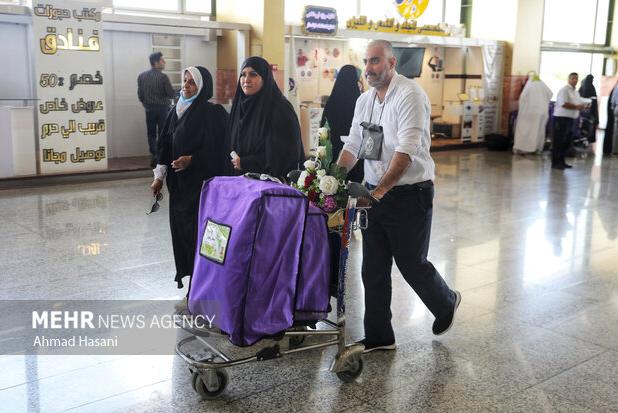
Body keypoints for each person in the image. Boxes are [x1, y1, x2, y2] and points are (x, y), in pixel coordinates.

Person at [337, 40, 460, 353]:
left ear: (392, 63)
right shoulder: (365, 100)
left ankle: (446, 302)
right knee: (373, 267)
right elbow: (353, 145)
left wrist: (378, 193)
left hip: (410, 194)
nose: (369, 68)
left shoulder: (410, 95)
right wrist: (333, 179)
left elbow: (405, 152)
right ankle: (379, 336)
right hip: (372, 193)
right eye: (366, 61)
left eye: (375, 61)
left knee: (411, 263)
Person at [150, 66, 228, 289]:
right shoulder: (174, 111)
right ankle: (192, 280)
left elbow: (220, 149)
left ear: (202, 87)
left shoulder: (212, 114)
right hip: (179, 187)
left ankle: (204, 283)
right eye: (184, 80)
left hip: (203, 187)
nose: (186, 85)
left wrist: (192, 160)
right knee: (182, 233)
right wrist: (159, 177)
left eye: (192, 82)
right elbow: (164, 147)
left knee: (200, 234)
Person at [228, 56, 304, 179]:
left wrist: (246, 163)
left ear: (265, 78)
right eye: (243, 74)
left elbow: (284, 155)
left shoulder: (279, 109)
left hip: (270, 185)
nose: (246, 80)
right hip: (241, 182)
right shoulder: (239, 107)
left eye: (253, 74)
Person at [320, 64, 364, 182]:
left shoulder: (331, 102)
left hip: (332, 150)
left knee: (332, 185)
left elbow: (323, 128)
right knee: (352, 185)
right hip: (353, 155)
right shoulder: (359, 101)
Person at [138, 52, 177, 167]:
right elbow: (170, 94)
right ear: (156, 63)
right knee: (162, 133)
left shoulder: (142, 76)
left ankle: (154, 154)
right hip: (163, 109)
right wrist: (177, 93)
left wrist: (146, 104)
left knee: (151, 133)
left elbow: (140, 94)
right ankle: (161, 156)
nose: (164, 62)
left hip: (149, 109)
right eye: (162, 60)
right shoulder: (163, 77)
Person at [552, 72, 586, 170]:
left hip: (571, 118)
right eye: (573, 78)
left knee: (567, 141)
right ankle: (555, 162)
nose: (575, 80)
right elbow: (563, 104)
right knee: (559, 141)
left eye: (576, 78)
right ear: (569, 79)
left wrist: (582, 106)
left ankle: (561, 161)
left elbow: (578, 102)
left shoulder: (575, 92)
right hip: (561, 118)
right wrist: (577, 107)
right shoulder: (564, 90)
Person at [513, 74, 552, 154]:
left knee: (526, 130)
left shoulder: (529, 86)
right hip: (542, 113)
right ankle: (537, 148)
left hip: (529, 114)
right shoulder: (543, 86)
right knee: (538, 131)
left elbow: (522, 98)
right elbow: (550, 94)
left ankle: (524, 148)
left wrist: (522, 108)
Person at [578, 74, 598, 147]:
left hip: (586, 111)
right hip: (587, 111)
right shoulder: (590, 87)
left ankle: (586, 137)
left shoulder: (584, 87)